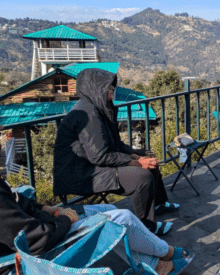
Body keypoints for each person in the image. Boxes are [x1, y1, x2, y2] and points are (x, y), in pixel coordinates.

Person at [53, 68, 178, 235]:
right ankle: (147, 230)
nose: (112, 92)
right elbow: (100, 156)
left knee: (147, 157)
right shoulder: (87, 113)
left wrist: (135, 155)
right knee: (142, 177)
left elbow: (115, 143)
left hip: (93, 165)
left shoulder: (99, 109)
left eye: (113, 88)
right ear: (96, 89)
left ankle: (158, 204)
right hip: (82, 174)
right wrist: (136, 162)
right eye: (108, 89)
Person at [0, 177, 190, 275]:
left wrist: (45, 208)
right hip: (35, 256)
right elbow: (36, 241)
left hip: (44, 225)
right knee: (121, 219)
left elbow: (17, 201)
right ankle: (165, 253)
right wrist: (65, 219)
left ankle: (152, 264)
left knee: (108, 208)